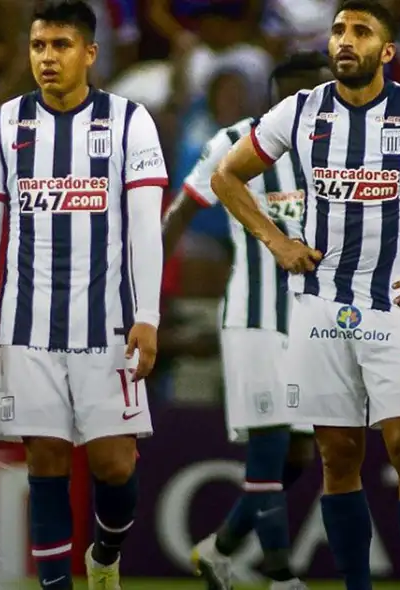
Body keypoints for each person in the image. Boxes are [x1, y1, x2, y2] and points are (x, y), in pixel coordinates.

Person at [210, 2, 400, 588]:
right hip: (319, 309)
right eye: (340, 30)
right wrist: (275, 241)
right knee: (337, 457)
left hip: (393, 306)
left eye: (361, 32)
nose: (345, 41)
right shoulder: (299, 111)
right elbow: (226, 175)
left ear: (388, 51)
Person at [0, 2, 166, 588]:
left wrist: (147, 316)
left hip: (107, 328)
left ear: (90, 53)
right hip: (28, 330)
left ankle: (104, 556)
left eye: (61, 46)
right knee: (46, 465)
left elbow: (144, 227)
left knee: (114, 465)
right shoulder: (1, 125)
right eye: (38, 46)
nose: (47, 58)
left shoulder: (130, 122)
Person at [163, 51, 331, 590]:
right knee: (269, 447)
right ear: (285, 97)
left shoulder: (341, 150)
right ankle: (280, 577)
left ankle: (220, 548)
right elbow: (183, 209)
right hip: (254, 320)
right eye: (314, 94)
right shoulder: (234, 140)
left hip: (313, 325)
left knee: (300, 453)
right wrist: (143, 291)